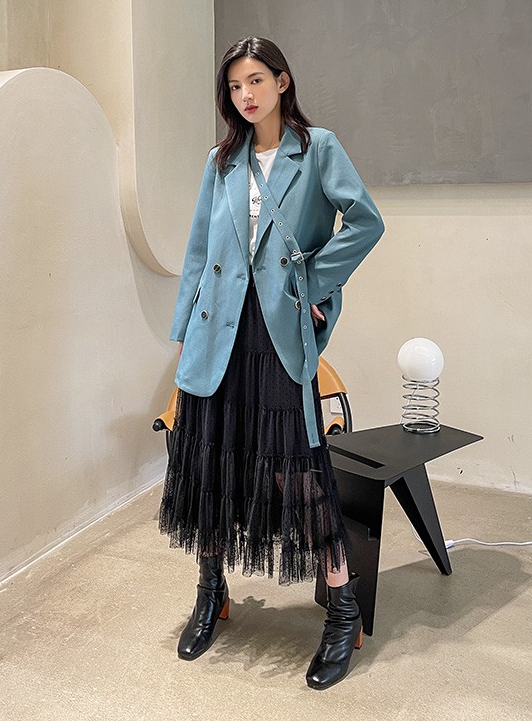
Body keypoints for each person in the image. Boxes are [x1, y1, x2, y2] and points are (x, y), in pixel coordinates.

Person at [158, 36, 384, 690]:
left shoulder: (318, 150)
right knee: (210, 463)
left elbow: (365, 222)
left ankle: (343, 611)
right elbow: (199, 250)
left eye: (256, 80)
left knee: (298, 471)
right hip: (217, 332)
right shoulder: (221, 161)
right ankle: (211, 592)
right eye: (234, 86)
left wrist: (314, 283)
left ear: (283, 82)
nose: (245, 95)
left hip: (277, 332)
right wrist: (184, 334)